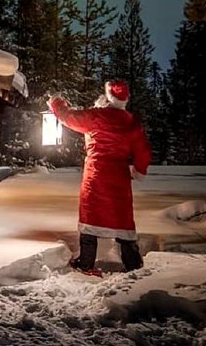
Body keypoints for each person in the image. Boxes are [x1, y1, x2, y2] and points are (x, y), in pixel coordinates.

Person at [48, 80, 152, 275]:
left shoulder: (97, 116)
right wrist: (139, 170)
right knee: (122, 218)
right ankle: (133, 263)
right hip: (119, 176)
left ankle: (86, 263)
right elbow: (143, 149)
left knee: (90, 216)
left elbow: (68, 117)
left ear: (107, 98)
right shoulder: (130, 121)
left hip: (96, 174)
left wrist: (56, 102)